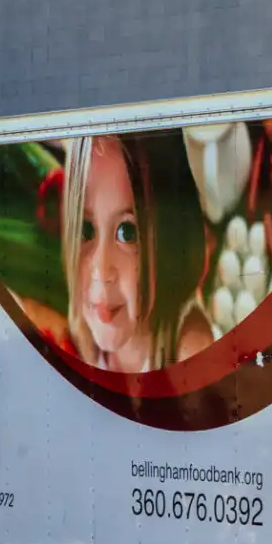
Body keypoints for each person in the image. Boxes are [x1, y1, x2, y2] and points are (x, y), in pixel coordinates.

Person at [60, 133, 211, 373]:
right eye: (85, 229)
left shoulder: (189, 353)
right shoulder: (82, 335)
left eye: (127, 233)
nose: (101, 270)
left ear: (168, 238)